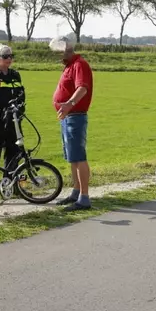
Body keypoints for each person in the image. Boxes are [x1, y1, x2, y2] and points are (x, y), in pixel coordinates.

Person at [50, 37, 94, 211]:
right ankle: (76, 192)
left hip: (75, 116)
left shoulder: (79, 64)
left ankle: (84, 198)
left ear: (66, 50)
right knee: (72, 157)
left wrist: (69, 104)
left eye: (58, 52)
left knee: (79, 156)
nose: (57, 55)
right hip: (68, 116)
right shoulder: (69, 65)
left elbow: (82, 88)